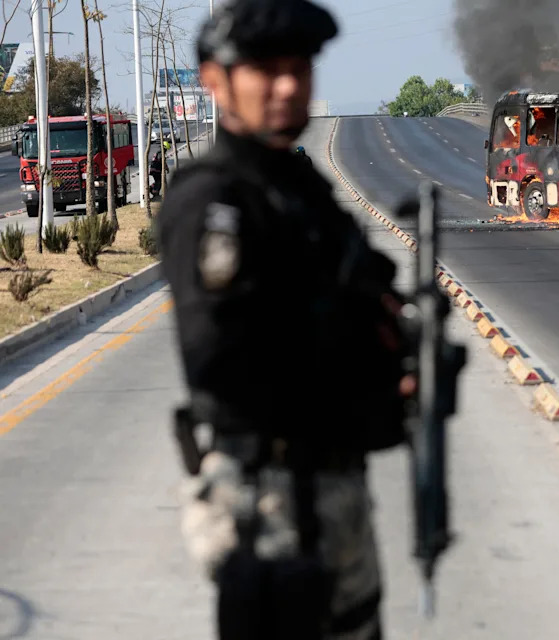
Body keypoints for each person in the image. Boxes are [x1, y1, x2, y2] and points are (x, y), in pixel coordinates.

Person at [157, 1, 412, 637]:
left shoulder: (301, 190)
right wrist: (342, 367)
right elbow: (217, 363)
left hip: (332, 489)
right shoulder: (215, 198)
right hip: (268, 499)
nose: (288, 86)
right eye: (266, 70)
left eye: (299, 68)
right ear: (216, 82)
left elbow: (364, 293)